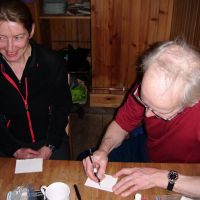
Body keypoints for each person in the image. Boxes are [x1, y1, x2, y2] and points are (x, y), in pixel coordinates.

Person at [83, 39, 200, 197]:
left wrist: (161, 178)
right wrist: (103, 150)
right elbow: (121, 125)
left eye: (158, 110)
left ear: (192, 101)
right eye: (144, 102)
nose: (146, 115)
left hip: (185, 173)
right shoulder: (151, 85)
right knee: (85, 161)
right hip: (148, 150)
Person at [0, 0, 72, 160]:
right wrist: (15, 149)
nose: (10, 48)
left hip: (51, 140)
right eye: (1, 38)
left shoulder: (51, 62)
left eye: (18, 37)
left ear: (31, 31)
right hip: (8, 142)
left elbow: (62, 107)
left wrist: (49, 146)